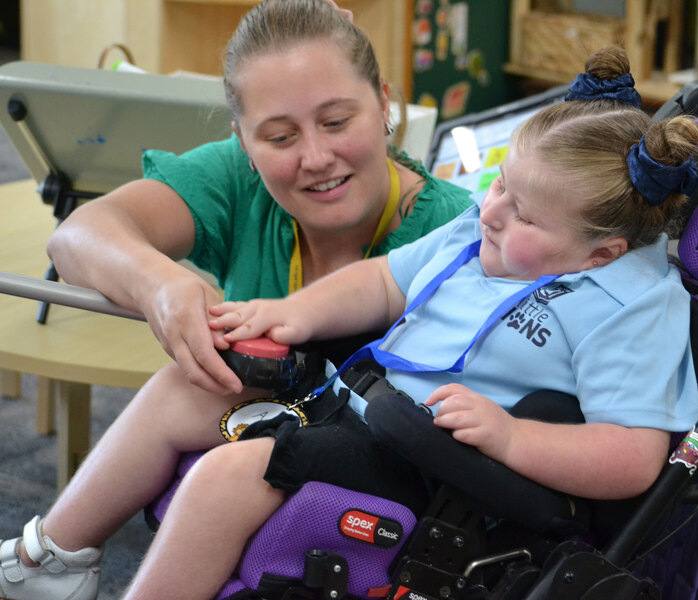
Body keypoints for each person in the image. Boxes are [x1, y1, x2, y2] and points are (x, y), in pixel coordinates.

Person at [116, 45, 698, 599]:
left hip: (433, 469)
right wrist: (293, 312)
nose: (491, 212)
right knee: (185, 388)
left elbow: (633, 456)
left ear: (601, 253)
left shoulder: (633, 308)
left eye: (523, 213)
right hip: (358, 397)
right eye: (501, 182)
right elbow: (384, 281)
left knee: (229, 478)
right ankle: (55, 554)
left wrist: (513, 437)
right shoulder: (484, 229)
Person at [0, 1, 471, 599]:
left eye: (336, 121)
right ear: (243, 143)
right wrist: (159, 283)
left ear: (384, 104)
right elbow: (78, 234)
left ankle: (44, 561)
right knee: (190, 387)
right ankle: (46, 559)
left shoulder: (460, 232)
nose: (315, 157)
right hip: (284, 447)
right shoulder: (241, 180)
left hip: (393, 482)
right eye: (279, 136)